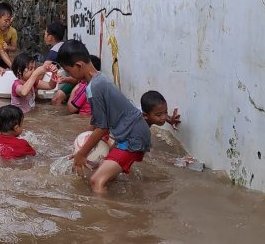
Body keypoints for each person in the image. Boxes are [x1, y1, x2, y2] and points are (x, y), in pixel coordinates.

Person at [57, 40, 181, 193]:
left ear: (78, 66)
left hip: (132, 137)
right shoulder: (98, 79)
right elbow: (97, 120)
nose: (70, 76)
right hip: (131, 132)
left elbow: (102, 127)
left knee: (96, 181)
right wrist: (85, 141)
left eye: (69, 72)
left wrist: (82, 153)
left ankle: (104, 215)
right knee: (108, 176)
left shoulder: (95, 87)